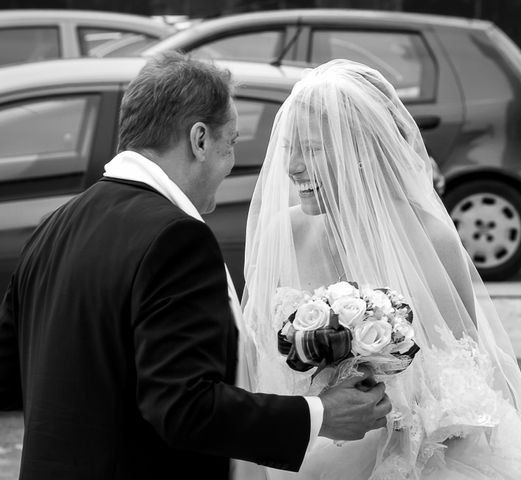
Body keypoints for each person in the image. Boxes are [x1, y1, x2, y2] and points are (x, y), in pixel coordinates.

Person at [0, 52, 392, 480]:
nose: (230, 164)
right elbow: (184, 407)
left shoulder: (54, 226)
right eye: (232, 144)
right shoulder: (175, 237)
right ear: (199, 140)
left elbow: (11, 375)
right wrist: (320, 414)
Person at [241, 59, 521, 479]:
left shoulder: (431, 240)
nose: (294, 167)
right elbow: (253, 365)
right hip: (299, 457)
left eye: (314, 149)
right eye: (291, 150)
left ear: (361, 150)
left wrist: (395, 423)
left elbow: (469, 376)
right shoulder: (281, 233)